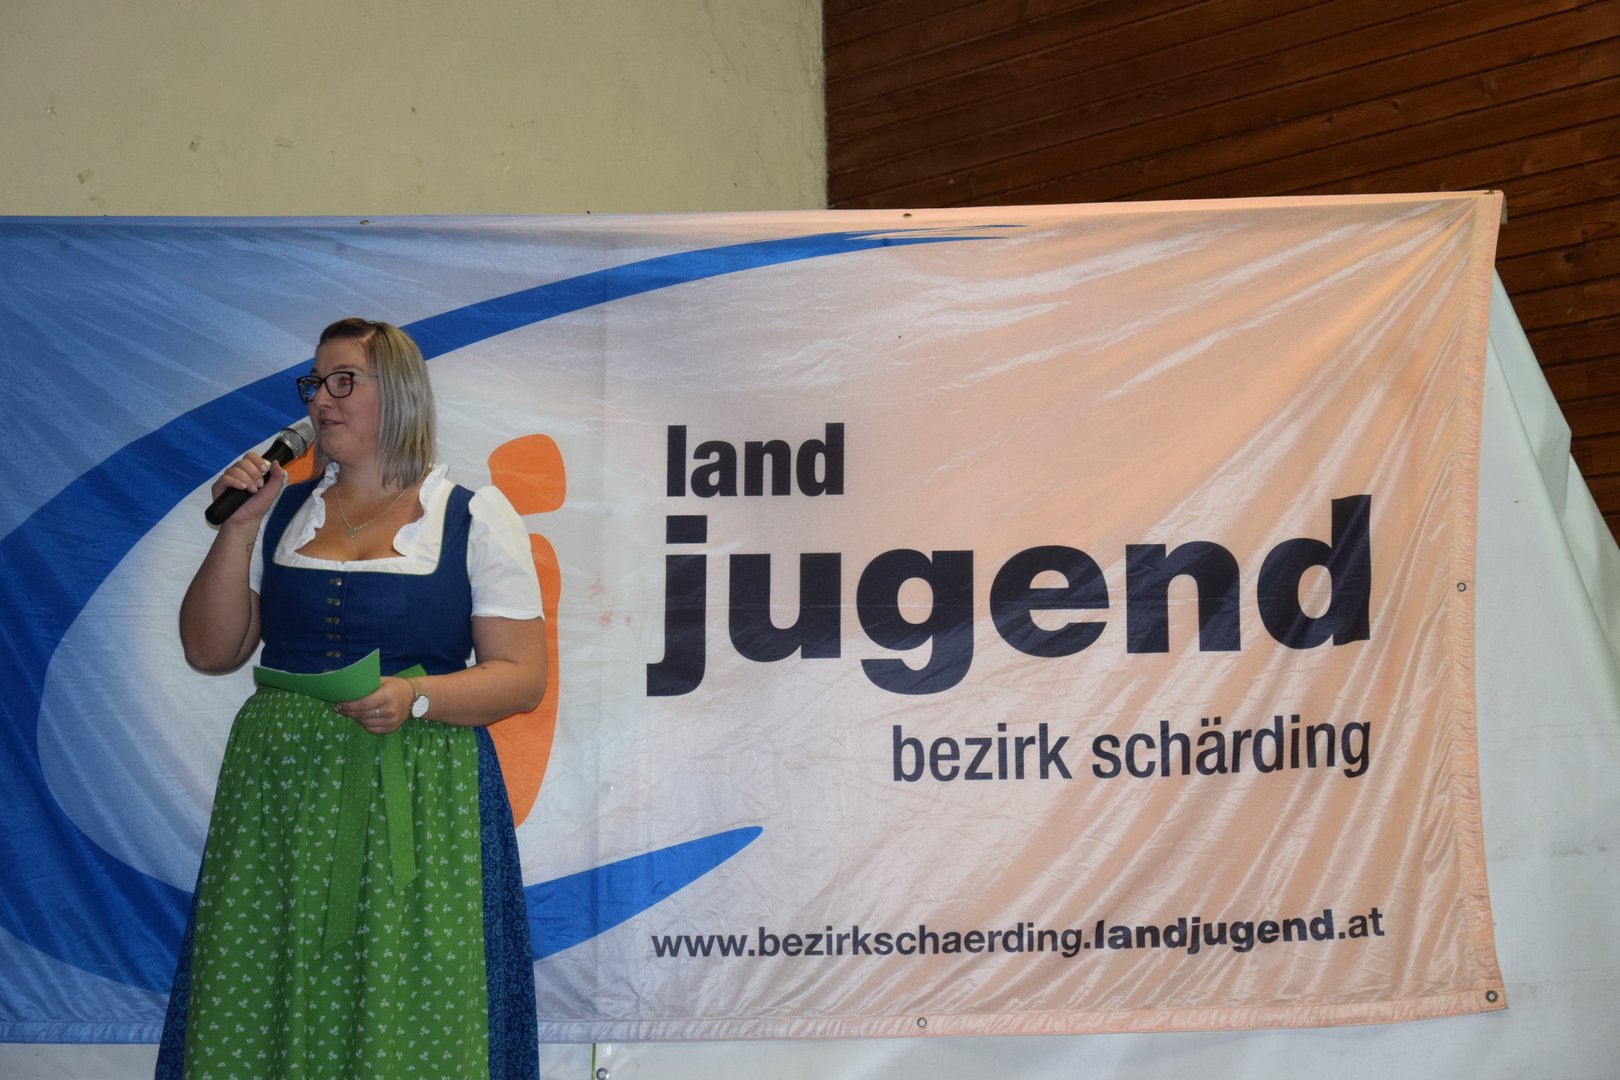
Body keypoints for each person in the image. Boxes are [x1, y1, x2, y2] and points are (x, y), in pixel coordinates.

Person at [157, 318, 545, 1079]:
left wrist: (416, 695)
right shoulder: (285, 513)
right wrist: (238, 530)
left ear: (399, 394)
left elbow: (521, 676)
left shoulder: (472, 516)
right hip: (281, 790)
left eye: (343, 381)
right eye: (315, 383)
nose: (320, 401)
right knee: (265, 983)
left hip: (420, 790)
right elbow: (210, 650)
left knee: (412, 994)